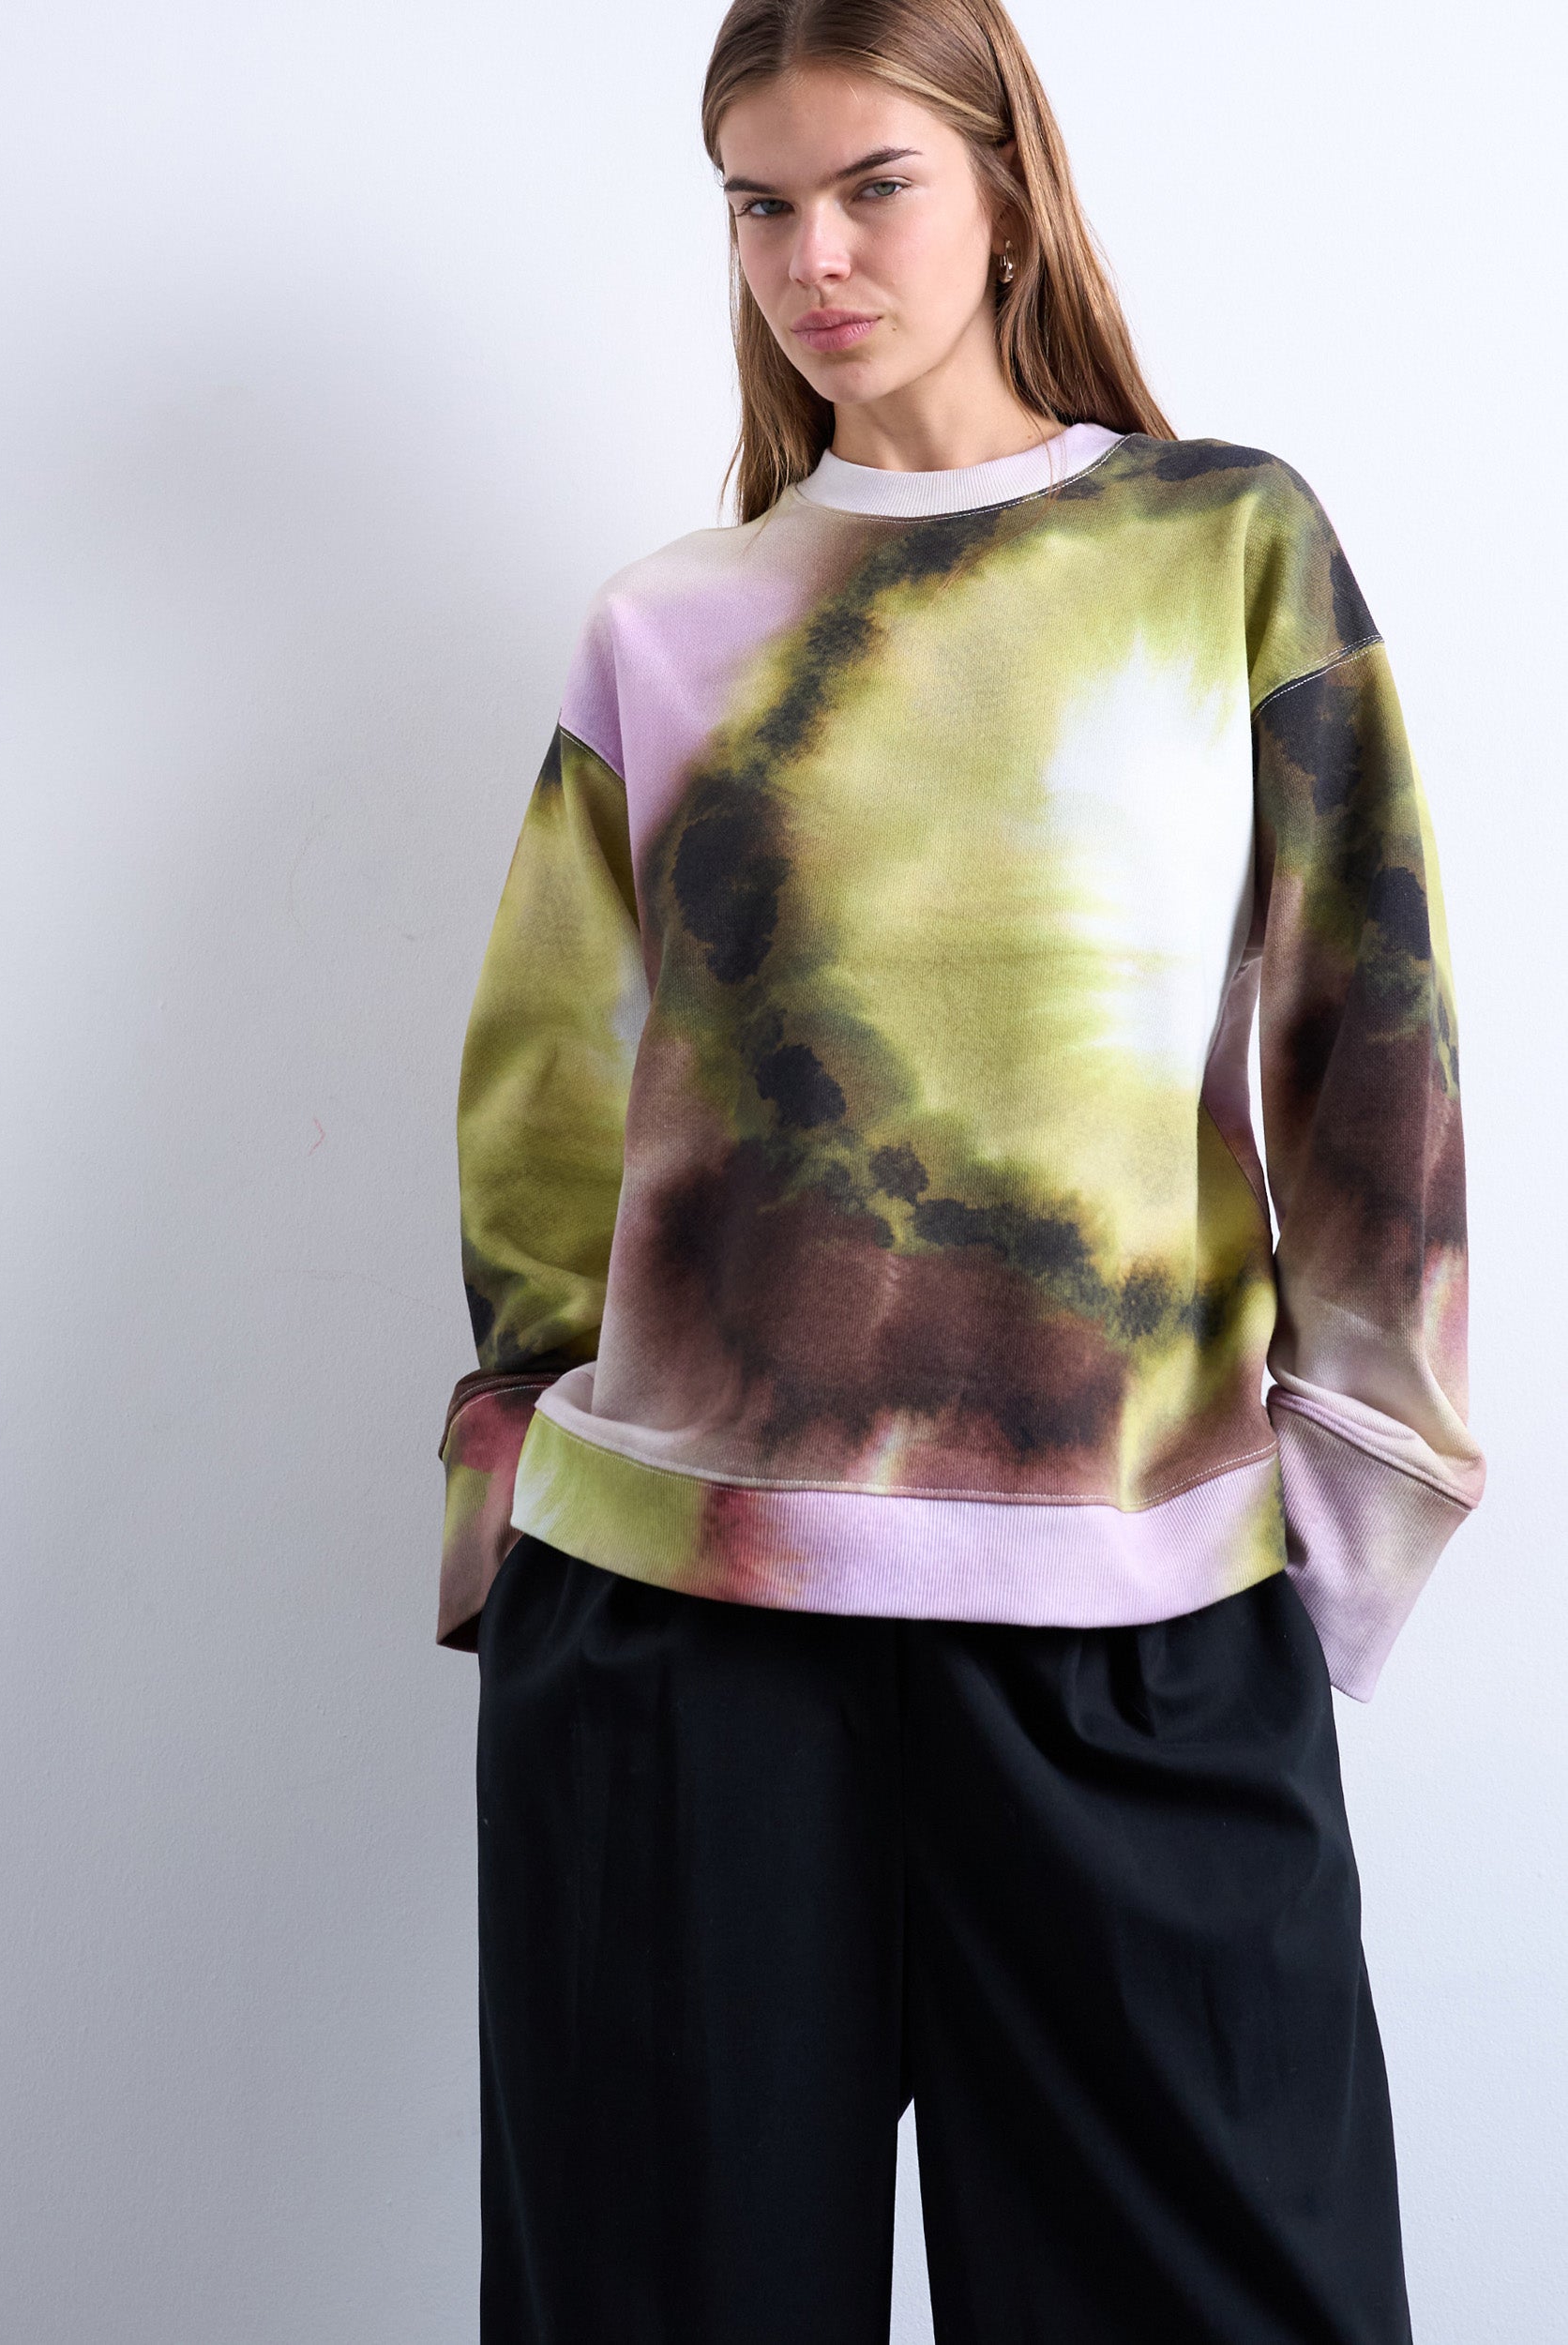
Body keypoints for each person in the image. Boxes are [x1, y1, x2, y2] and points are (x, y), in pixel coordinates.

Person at [436, 1, 1487, 2337]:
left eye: (869, 187)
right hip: (682, 1639)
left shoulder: (1220, 542)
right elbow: (544, 1102)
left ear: (1004, 186)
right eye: (757, 204)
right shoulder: (666, 625)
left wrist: (1342, 1505)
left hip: (1133, 1624)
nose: (808, 258)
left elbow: (1370, 1044)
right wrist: (514, 1487)